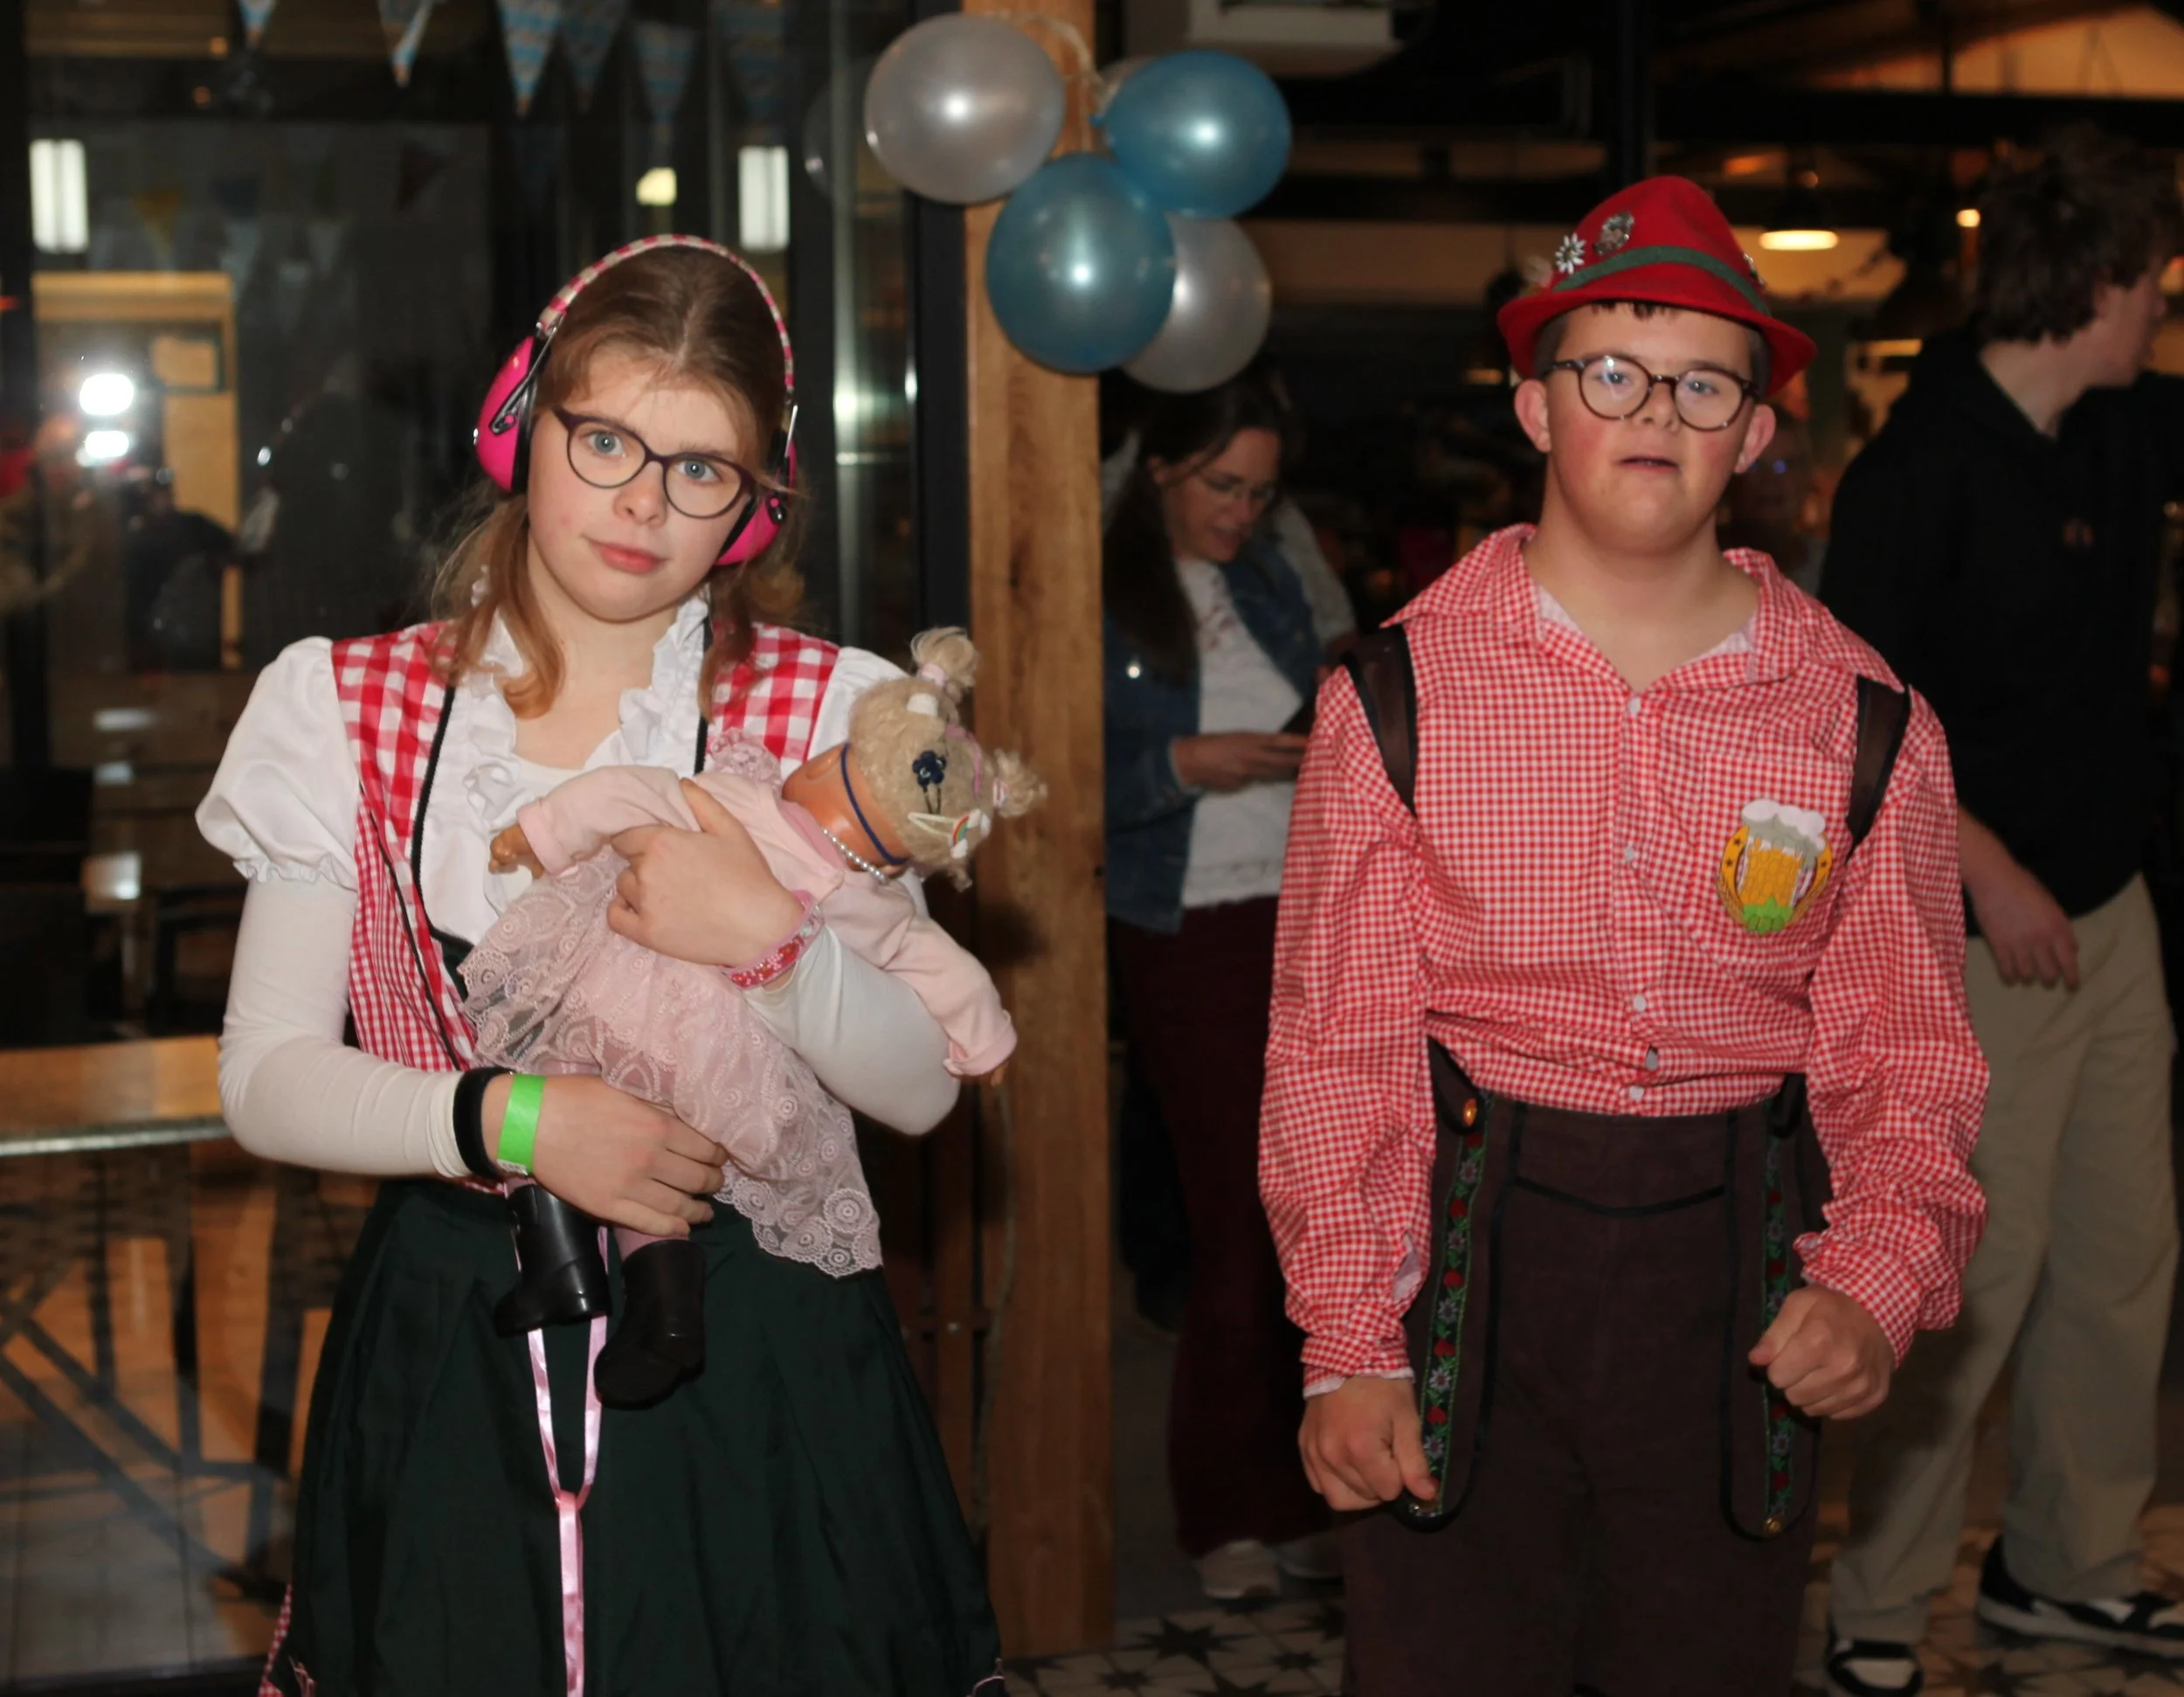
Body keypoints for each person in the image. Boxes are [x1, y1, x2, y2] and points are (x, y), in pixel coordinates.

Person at [194, 235, 1002, 1696]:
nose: (644, 503)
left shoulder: (838, 708)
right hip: (458, 1332)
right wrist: (516, 1118)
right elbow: (264, 1078)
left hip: (761, 1347)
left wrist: (764, 940)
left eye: (702, 470)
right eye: (608, 440)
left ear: (752, 509)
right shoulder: (342, 705)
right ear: (522, 427)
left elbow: (921, 1091)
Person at [1261, 176, 1989, 1696]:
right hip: (1461, 1246)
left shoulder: (1864, 723)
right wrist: (1349, 1338)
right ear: (1536, 407)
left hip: (1734, 1264)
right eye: (1610, 372)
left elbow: (1910, 1055)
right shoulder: (1398, 697)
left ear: (1756, 429)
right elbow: (1339, 1045)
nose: (1655, 411)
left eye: (1702, 383)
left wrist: (1876, 1276)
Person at [1820, 128, 2184, 1695]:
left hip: (2112, 912)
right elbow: (1847, 714)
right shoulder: (1921, 472)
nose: (2165, 309)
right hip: (1980, 932)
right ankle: (1879, 1603)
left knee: (2121, 1259)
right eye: (2155, 283)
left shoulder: (2116, 427)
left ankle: (2066, 1563)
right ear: (2094, 285)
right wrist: (1982, 862)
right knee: (1968, 1276)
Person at [471, 626, 1041, 1407]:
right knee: (646, 1151)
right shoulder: (883, 911)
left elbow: (630, 793)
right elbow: (952, 974)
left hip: (632, 1003)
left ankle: (562, 1262)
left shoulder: (745, 799)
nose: (811, 762)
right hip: (731, 1062)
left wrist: (541, 830)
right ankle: (662, 1299)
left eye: (829, 761)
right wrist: (987, 1042)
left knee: (550, 1085)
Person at [1103, 369, 1336, 1600]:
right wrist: (1185, 761)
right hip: (1185, 923)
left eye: (1260, 492)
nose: (1243, 512)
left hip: (1306, 915)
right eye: (1223, 486)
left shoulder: (1271, 581)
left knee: (1315, 1216)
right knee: (1236, 1225)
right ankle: (1222, 1514)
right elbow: (1054, 776)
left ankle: (1298, 1494)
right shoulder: (1105, 591)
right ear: (1159, 473)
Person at [1724, 409, 1825, 596]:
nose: (1769, 481)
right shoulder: (1699, 566)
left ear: (1807, 476)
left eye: (1785, 465)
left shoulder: (1833, 566)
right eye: (1755, 465)